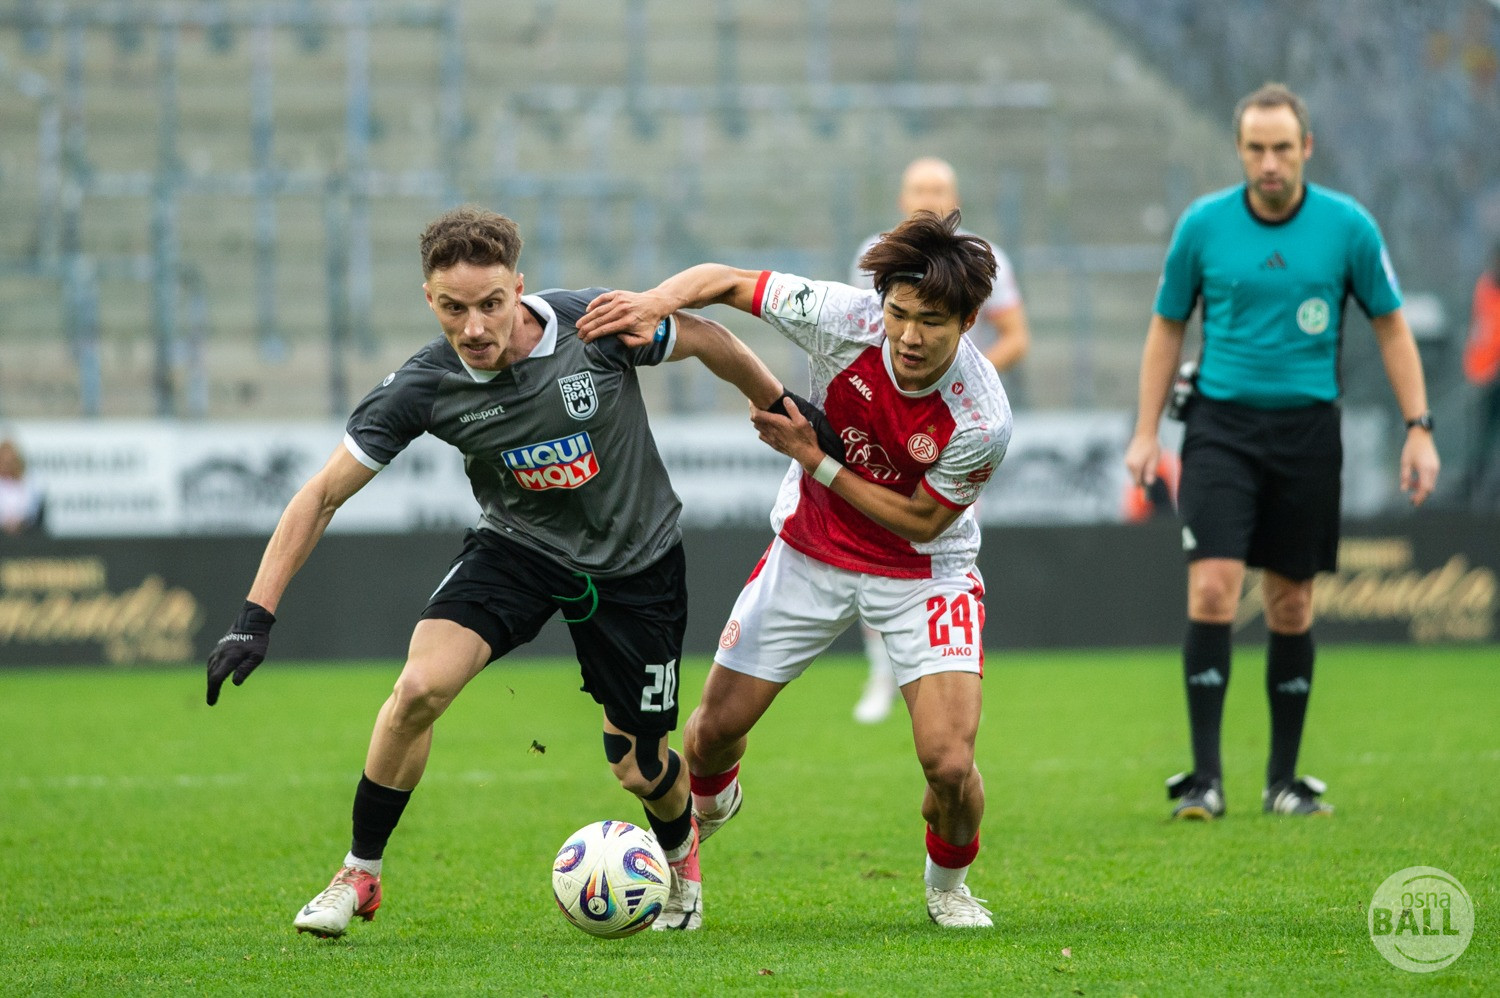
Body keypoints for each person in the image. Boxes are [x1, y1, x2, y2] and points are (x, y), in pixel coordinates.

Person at [204, 205, 785, 937]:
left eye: (490, 304)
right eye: (453, 308)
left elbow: (706, 337)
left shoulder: (594, 326)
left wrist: (777, 404)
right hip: (519, 547)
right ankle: (359, 873)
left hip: (636, 561)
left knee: (638, 767)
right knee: (418, 689)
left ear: (519, 287)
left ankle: (679, 856)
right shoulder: (424, 385)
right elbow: (319, 495)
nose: (474, 327)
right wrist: (254, 616)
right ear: (429, 300)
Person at [579, 209, 1012, 928]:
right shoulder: (843, 318)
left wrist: (814, 459)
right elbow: (726, 281)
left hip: (924, 572)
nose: (908, 336)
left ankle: (948, 885)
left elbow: (919, 522)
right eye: (899, 314)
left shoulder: (982, 416)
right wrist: (654, 302)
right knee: (708, 736)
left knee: (949, 764)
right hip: (811, 550)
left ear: (968, 321)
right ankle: (714, 805)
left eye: (932, 322)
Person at [1123, 83, 1440, 821]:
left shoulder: (1347, 227)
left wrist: (1419, 426)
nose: (1270, 163)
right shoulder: (1203, 226)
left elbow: (1392, 325)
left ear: (1307, 149)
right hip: (1219, 430)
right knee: (1213, 588)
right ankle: (1205, 781)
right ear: (1239, 150)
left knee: (1292, 601)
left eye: (1283, 148)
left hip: (1307, 434)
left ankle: (1283, 781)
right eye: (1257, 149)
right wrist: (1145, 431)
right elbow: (1167, 326)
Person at [847, 156, 1030, 723]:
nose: (928, 198)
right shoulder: (872, 254)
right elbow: (856, 332)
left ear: (956, 202)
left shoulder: (984, 259)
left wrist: (957, 379)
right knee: (868, 546)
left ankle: (952, 672)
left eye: (939, 189)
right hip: (883, 428)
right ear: (901, 200)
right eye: (919, 189)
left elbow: (1016, 336)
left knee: (950, 548)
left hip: (952, 434)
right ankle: (882, 674)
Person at [1462, 242, 1500, 505]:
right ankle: (1477, 488)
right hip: (1485, 377)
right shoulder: (1485, 287)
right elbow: (1481, 331)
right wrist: (1475, 369)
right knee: (1482, 436)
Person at [0, 436, 45, 536]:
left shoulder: (28, 481)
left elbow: (33, 509)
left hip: (25, 532)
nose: (7, 466)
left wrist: (19, 521)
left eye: (10, 462)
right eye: (4, 461)